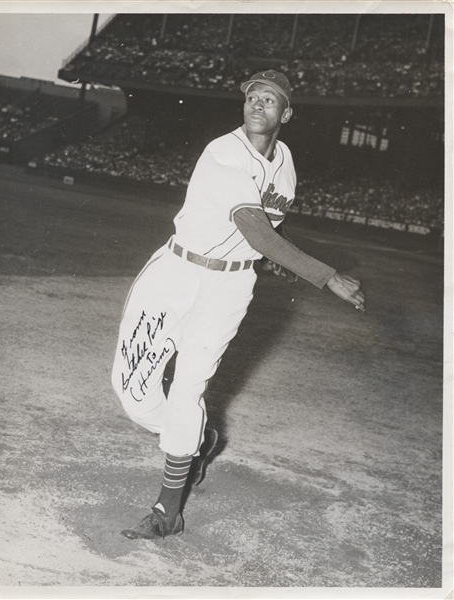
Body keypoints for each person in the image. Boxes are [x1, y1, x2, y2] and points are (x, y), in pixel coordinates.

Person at [111, 70, 366, 540]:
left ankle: (168, 512)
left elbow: (272, 229)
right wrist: (324, 275)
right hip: (176, 275)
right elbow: (255, 229)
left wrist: (279, 262)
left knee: (188, 389)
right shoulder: (223, 151)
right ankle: (198, 441)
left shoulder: (285, 162)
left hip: (230, 289)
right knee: (135, 395)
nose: (257, 105)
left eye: (269, 100)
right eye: (252, 96)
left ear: (285, 113)